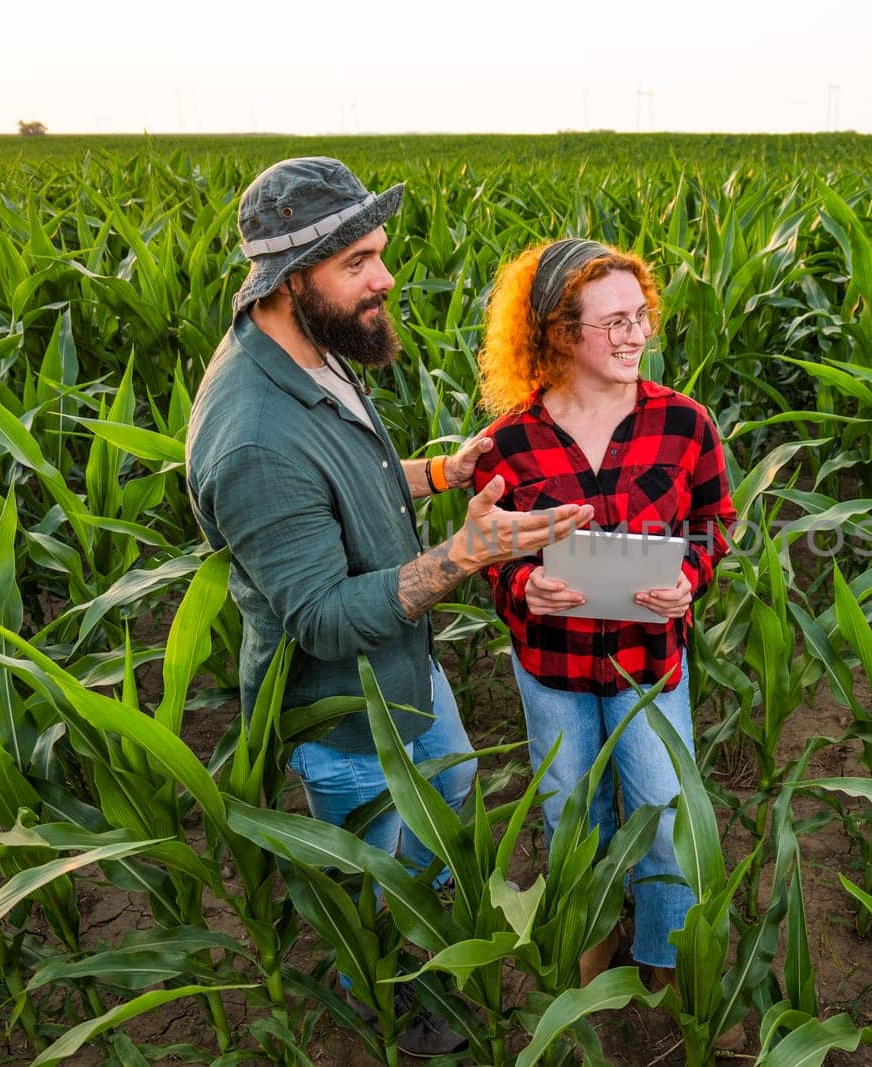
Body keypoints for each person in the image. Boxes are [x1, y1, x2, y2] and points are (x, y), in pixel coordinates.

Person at [185, 158, 592, 1056]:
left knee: (445, 816)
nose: (386, 276)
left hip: (406, 674)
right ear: (293, 280)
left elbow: (345, 483)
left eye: (379, 252)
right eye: (358, 261)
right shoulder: (252, 435)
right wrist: (466, 552)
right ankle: (399, 1023)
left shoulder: (309, 350)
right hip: (350, 724)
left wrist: (438, 474)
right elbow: (324, 616)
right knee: (385, 911)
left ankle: (432, 958)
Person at [471, 239, 736, 997]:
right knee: (570, 817)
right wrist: (523, 584)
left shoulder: (684, 423)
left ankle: (662, 961)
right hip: (552, 667)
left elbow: (715, 519)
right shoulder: (510, 443)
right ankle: (591, 950)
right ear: (559, 333)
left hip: (649, 663)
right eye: (613, 321)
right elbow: (488, 550)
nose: (634, 335)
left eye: (641, 316)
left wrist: (690, 575)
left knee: (664, 815)